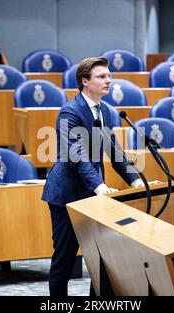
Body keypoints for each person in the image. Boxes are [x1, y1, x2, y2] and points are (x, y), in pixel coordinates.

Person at [41, 56, 144, 296]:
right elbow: (76, 154)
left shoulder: (106, 111)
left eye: (109, 76)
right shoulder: (70, 112)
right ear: (85, 82)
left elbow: (114, 151)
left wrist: (137, 181)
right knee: (65, 261)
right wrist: (99, 186)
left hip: (94, 196)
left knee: (103, 260)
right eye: (102, 76)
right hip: (67, 196)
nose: (109, 80)